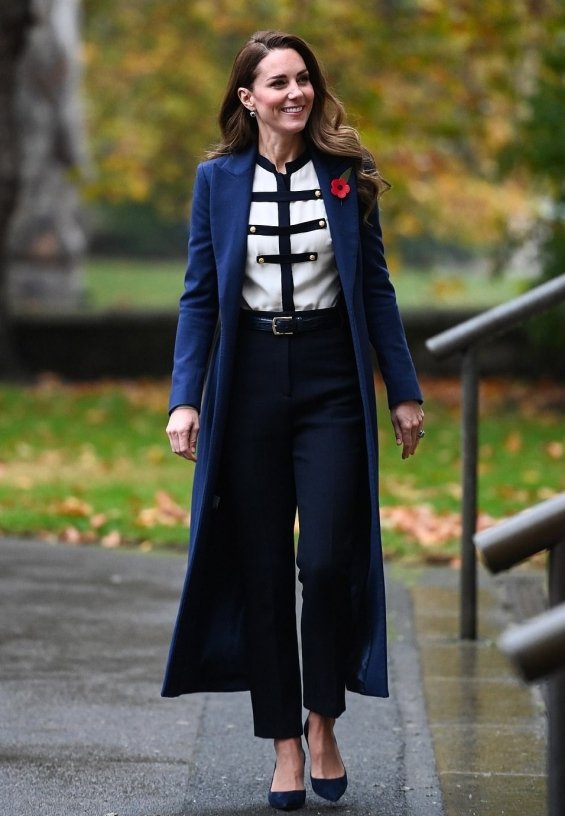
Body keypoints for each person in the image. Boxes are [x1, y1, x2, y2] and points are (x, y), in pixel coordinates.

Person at [163, 30, 424, 811]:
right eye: (276, 82)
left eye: (302, 79)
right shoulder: (217, 180)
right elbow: (199, 295)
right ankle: (282, 742)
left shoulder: (346, 175)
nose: (294, 93)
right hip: (246, 386)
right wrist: (185, 398)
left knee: (328, 562)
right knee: (265, 570)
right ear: (248, 98)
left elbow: (373, 289)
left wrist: (401, 389)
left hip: (329, 383)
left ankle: (322, 723)